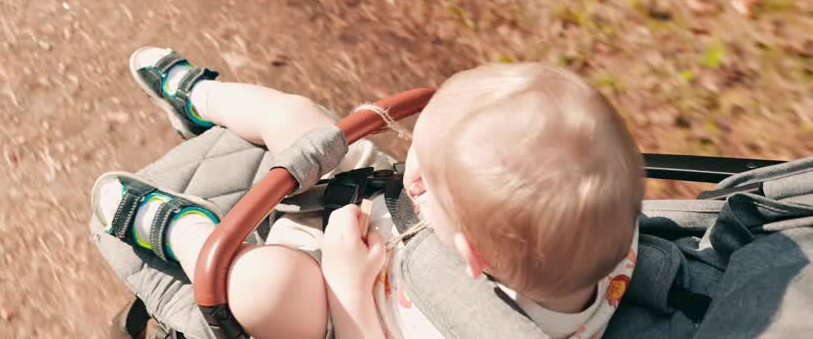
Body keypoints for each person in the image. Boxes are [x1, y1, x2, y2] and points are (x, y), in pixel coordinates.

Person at [92, 48, 645, 339]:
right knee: (301, 119)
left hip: (342, 296)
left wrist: (346, 287)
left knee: (264, 289)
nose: (416, 163)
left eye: (425, 168)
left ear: (471, 256)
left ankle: (184, 233)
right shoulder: (605, 235)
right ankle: (201, 98)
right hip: (380, 207)